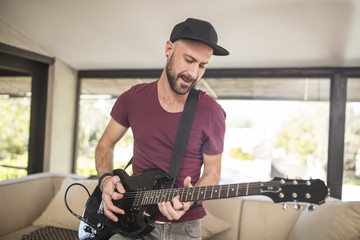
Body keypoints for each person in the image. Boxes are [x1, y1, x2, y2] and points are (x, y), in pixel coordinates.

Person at [95, 18, 229, 240]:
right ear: (168, 49)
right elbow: (105, 144)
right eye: (189, 60)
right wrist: (106, 180)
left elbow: (213, 172)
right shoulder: (132, 99)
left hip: (182, 228)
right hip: (129, 218)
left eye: (202, 65)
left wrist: (190, 197)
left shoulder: (212, 112)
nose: (194, 73)